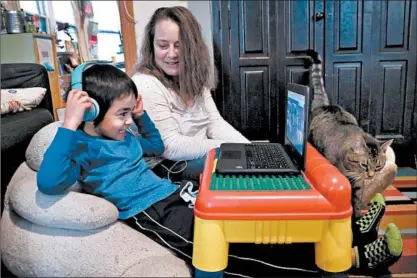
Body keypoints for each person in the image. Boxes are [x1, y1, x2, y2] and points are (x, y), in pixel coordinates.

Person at [37, 63, 402, 278]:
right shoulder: (80, 145)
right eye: (120, 113)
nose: (125, 121)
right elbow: (50, 182)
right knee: (239, 251)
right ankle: (349, 259)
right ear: (88, 113)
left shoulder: (123, 133)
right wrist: (69, 125)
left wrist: (138, 115)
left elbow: (152, 147)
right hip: (153, 213)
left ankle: (351, 227)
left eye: (127, 112)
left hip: (173, 193)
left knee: (248, 223)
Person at [131, 6, 250, 181]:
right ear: (152, 46)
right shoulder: (145, 83)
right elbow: (170, 147)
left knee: (248, 158)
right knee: (238, 164)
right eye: (163, 45)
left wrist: (248, 147)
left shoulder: (193, 77)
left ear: (193, 47)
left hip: (199, 155)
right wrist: (231, 148)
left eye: (180, 46)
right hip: (165, 165)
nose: (172, 54)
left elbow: (215, 124)